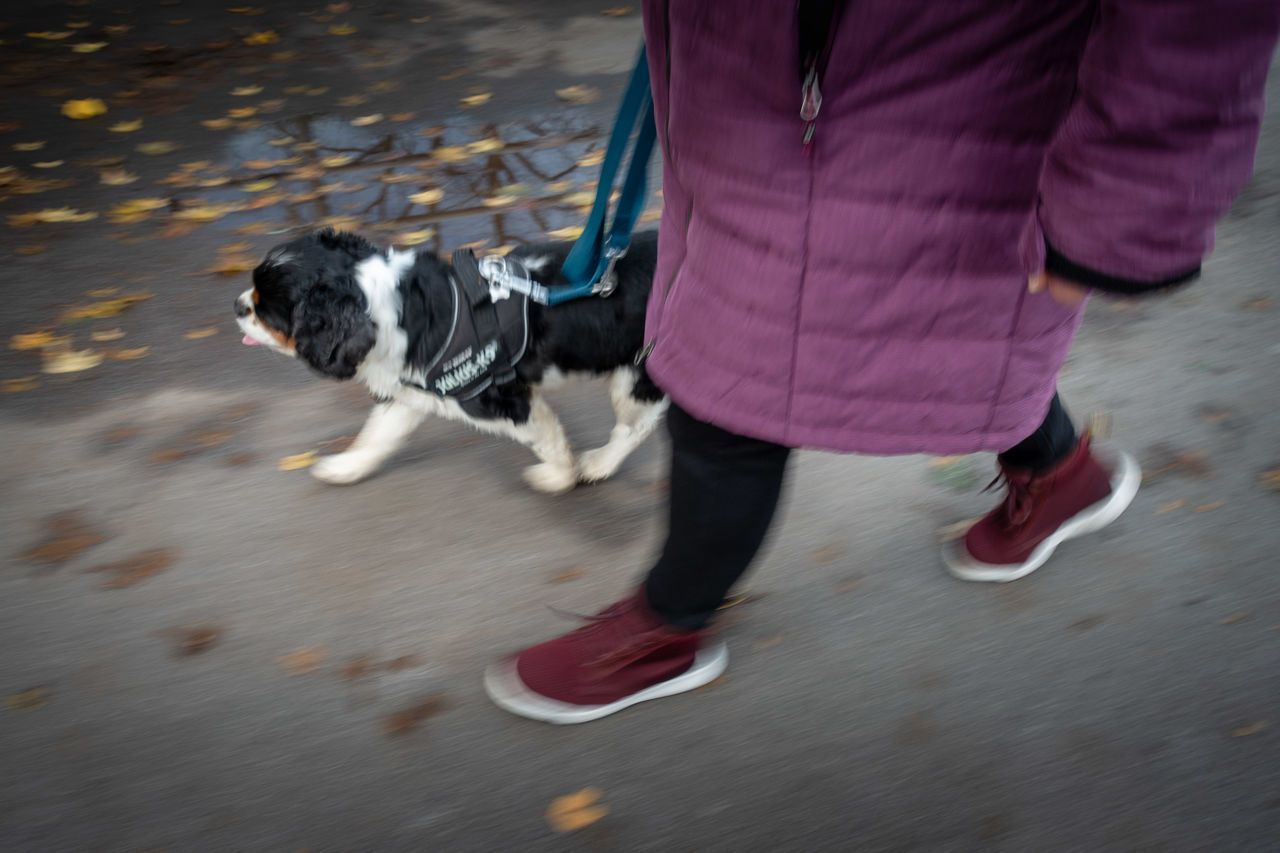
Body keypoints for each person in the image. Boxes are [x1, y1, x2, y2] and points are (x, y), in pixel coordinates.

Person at [483, 1, 1280, 723]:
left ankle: (669, 624)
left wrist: (1127, 208)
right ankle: (1063, 475)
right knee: (935, 343)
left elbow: (1200, 24)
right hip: (745, 87)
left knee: (730, 390)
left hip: (972, 103)